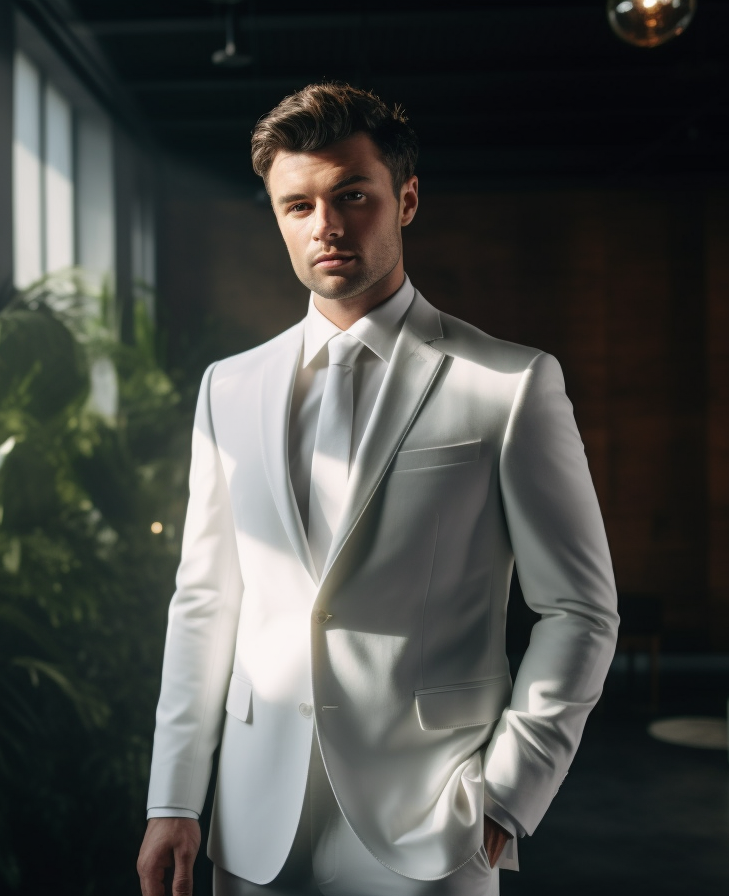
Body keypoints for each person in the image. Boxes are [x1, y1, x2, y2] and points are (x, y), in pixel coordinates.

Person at [136, 83, 619, 896]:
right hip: (255, 827)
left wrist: (507, 792)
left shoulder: (510, 383)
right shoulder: (229, 387)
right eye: (297, 206)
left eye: (351, 196)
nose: (324, 226)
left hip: (435, 820)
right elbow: (204, 602)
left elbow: (580, 609)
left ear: (407, 199)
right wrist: (174, 796)